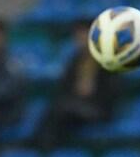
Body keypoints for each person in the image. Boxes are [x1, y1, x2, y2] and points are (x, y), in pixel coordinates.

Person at [34, 21, 119, 150]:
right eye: (78, 36)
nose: (80, 39)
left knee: (60, 110)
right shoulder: (75, 60)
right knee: (56, 108)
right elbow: (64, 86)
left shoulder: (106, 61)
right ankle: (42, 146)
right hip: (76, 106)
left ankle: (43, 148)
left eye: (84, 35)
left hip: (97, 108)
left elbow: (112, 91)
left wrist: (91, 92)